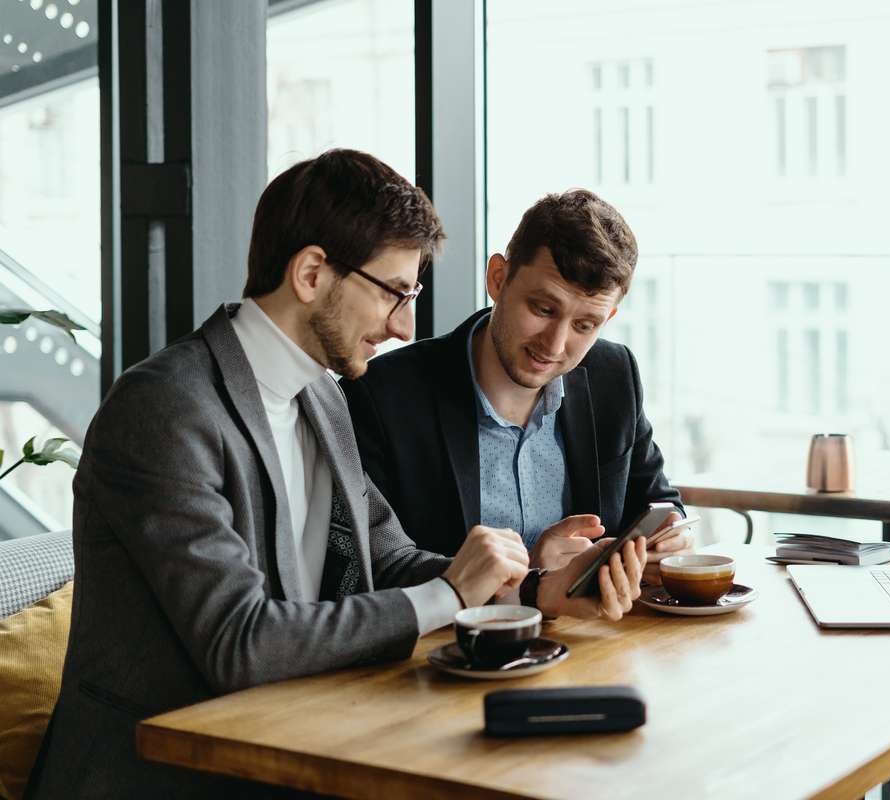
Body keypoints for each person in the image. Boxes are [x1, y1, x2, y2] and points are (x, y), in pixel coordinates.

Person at [31, 151, 646, 799]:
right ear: (311, 274)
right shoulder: (166, 407)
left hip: (295, 742)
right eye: (393, 293)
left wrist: (534, 592)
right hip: (161, 776)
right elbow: (241, 643)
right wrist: (452, 594)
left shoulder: (321, 396)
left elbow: (388, 558)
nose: (405, 325)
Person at [341, 189, 690, 580]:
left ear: (607, 319)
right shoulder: (383, 395)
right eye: (543, 309)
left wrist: (670, 532)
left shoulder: (614, 375)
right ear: (498, 278)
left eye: (584, 325)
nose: (554, 345)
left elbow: (656, 499)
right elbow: (377, 571)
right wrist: (531, 576)